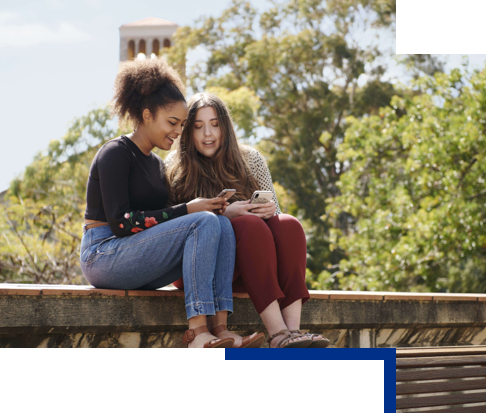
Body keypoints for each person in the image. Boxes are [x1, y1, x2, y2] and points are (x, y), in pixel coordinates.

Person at [80, 58, 240, 348]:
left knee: (221, 224)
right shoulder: (115, 153)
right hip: (102, 254)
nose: (179, 131)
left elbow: (168, 223)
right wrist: (189, 209)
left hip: (135, 256)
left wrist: (211, 207)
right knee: (203, 220)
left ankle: (220, 328)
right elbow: (121, 223)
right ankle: (196, 332)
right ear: (147, 115)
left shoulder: (157, 164)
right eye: (172, 123)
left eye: (181, 124)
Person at [167, 93, 330, 348]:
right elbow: (173, 227)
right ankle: (277, 335)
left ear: (226, 127)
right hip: (199, 267)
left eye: (215, 124)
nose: (207, 134)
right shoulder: (176, 166)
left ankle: (293, 331)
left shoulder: (251, 159)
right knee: (247, 225)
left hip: (251, 262)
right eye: (198, 127)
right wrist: (224, 214)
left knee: (288, 224)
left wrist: (268, 210)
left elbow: (276, 214)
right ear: (188, 132)